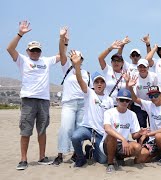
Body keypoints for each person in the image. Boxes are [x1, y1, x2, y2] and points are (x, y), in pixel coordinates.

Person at [7, 20, 60, 170]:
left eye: (37, 50)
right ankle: (23, 159)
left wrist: (63, 40)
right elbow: (9, 48)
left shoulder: (46, 61)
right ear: (28, 51)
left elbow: (61, 56)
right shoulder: (22, 60)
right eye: (32, 50)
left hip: (43, 101)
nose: (35, 52)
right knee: (26, 130)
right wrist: (20, 34)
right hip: (28, 100)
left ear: (41, 51)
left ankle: (42, 157)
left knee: (42, 130)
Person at [52, 27, 91, 166]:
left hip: (82, 104)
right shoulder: (66, 69)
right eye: (74, 57)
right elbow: (61, 53)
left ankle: (76, 153)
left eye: (79, 57)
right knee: (65, 128)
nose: (76, 59)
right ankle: (60, 154)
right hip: (69, 103)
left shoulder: (87, 73)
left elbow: (89, 91)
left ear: (82, 59)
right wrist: (62, 38)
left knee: (78, 130)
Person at [70, 50, 114, 167]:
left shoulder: (109, 100)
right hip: (88, 128)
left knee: (103, 160)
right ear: (93, 84)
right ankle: (80, 158)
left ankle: (90, 150)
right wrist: (77, 65)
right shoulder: (89, 93)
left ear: (105, 84)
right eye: (97, 82)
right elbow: (80, 79)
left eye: (102, 82)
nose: (99, 84)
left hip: (100, 132)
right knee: (75, 137)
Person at [128, 80, 161, 166]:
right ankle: (156, 154)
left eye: (156, 95)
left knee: (159, 136)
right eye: (151, 95)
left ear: (160, 95)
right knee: (138, 160)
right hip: (152, 140)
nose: (153, 98)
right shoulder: (149, 105)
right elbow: (135, 99)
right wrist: (130, 88)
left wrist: (147, 134)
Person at [103, 88, 144, 173]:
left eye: (127, 100)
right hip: (109, 143)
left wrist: (140, 133)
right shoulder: (109, 112)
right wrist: (123, 139)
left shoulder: (132, 114)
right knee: (112, 136)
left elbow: (134, 135)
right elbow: (107, 129)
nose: (125, 102)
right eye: (122, 100)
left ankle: (119, 158)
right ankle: (110, 164)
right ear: (117, 100)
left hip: (123, 144)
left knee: (138, 147)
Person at [126, 59, 158, 128]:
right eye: (140, 67)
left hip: (151, 104)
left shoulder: (154, 76)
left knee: (153, 125)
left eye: (144, 67)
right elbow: (132, 93)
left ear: (148, 67)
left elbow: (156, 90)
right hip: (138, 104)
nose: (142, 69)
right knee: (141, 125)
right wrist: (129, 85)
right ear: (137, 68)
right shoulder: (134, 76)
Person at [98, 40, 127, 106]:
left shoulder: (126, 74)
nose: (116, 62)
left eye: (118, 61)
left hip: (122, 106)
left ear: (122, 63)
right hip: (108, 105)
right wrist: (110, 48)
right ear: (111, 62)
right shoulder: (107, 70)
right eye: (114, 60)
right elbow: (100, 58)